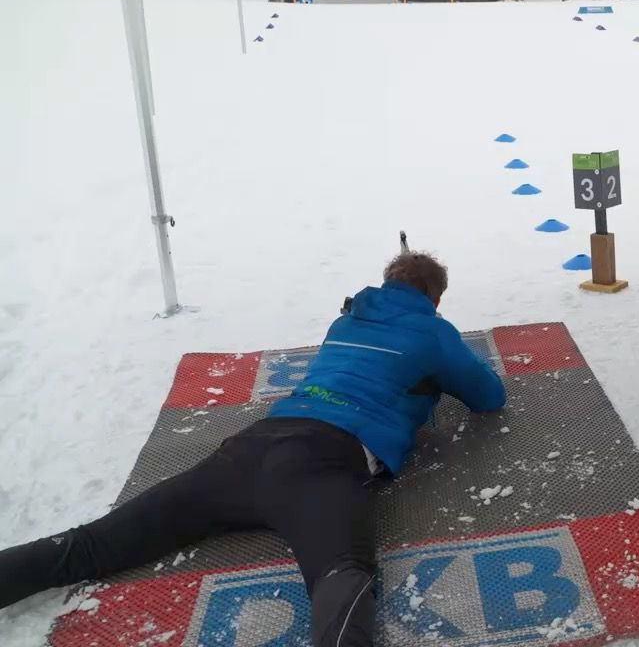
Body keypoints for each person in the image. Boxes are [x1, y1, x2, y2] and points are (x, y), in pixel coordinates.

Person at [0, 250, 507, 647]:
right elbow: (488, 396)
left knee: (92, 544)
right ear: (434, 298)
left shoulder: (346, 321)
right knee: (342, 576)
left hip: (250, 448)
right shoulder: (433, 332)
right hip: (324, 461)